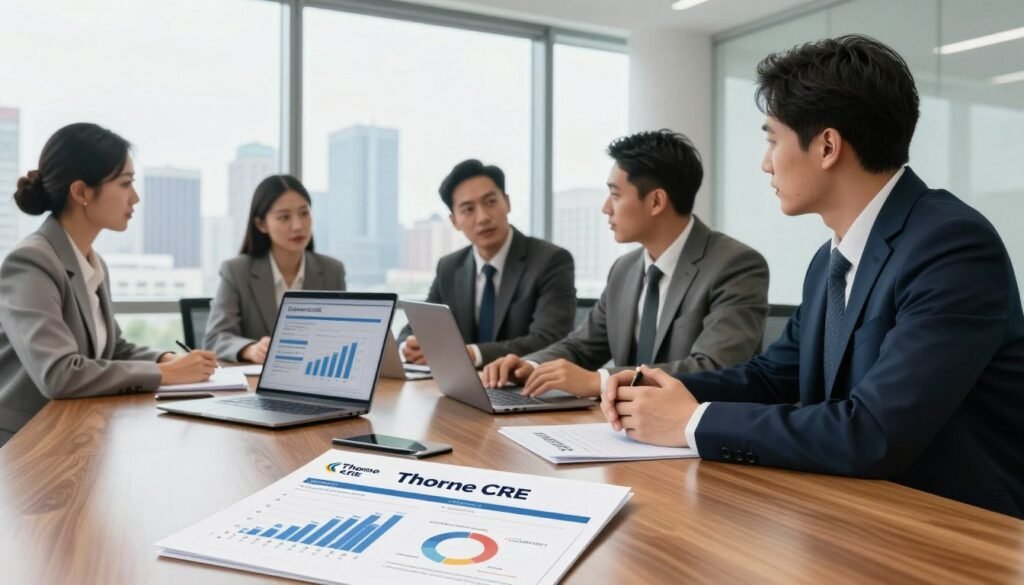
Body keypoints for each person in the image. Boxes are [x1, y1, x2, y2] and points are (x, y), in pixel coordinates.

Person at [602, 35, 1024, 518]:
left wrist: (693, 421)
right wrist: (657, 392)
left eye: (771, 139)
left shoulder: (951, 245)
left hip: (954, 530)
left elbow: (874, 431)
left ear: (827, 146)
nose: (766, 163)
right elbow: (773, 376)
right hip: (854, 513)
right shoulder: (831, 259)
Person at [482, 130, 769, 398]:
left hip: (695, 438)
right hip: (622, 431)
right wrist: (530, 366)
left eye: (615, 195)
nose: (606, 207)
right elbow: (582, 346)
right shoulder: (625, 269)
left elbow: (716, 367)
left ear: (656, 201)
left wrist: (602, 381)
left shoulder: (735, 265)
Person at [0, 123, 216, 446]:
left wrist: (165, 359)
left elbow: (113, 348)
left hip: (75, 432)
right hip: (25, 445)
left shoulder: (90, 261)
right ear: (81, 192)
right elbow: (59, 374)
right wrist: (166, 376)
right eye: (125, 183)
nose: (136, 197)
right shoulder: (31, 262)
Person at [399, 159, 576, 367]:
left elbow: (549, 340)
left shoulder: (550, 260)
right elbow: (417, 327)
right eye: (468, 209)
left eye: (490, 202)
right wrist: (407, 347)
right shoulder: (449, 267)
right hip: (460, 389)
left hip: (523, 389)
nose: (482, 217)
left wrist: (473, 354)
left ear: (507, 203)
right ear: (454, 221)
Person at [205, 175, 346, 363]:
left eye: (304, 213)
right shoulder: (236, 271)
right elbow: (215, 338)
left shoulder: (332, 271)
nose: (298, 225)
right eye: (284, 217)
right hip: (256, 384)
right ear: (261, 224)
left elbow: (343, 336)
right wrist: (251, 349)